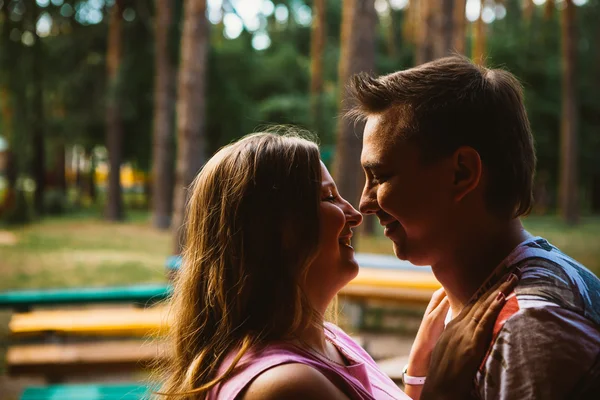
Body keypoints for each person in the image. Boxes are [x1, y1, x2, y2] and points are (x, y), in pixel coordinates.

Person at [157, 131, 517, 400]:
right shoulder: (285, 386)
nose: (356, 215)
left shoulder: (331, 340)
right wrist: (443, 388)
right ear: (277, 230)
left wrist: (419, 372)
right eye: (329, 197)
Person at [354, 56, 600, 399]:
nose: (364, 203)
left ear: (462, 173)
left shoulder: (530, 329)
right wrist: (420, 380)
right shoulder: (487, 304)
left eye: (380, 176)